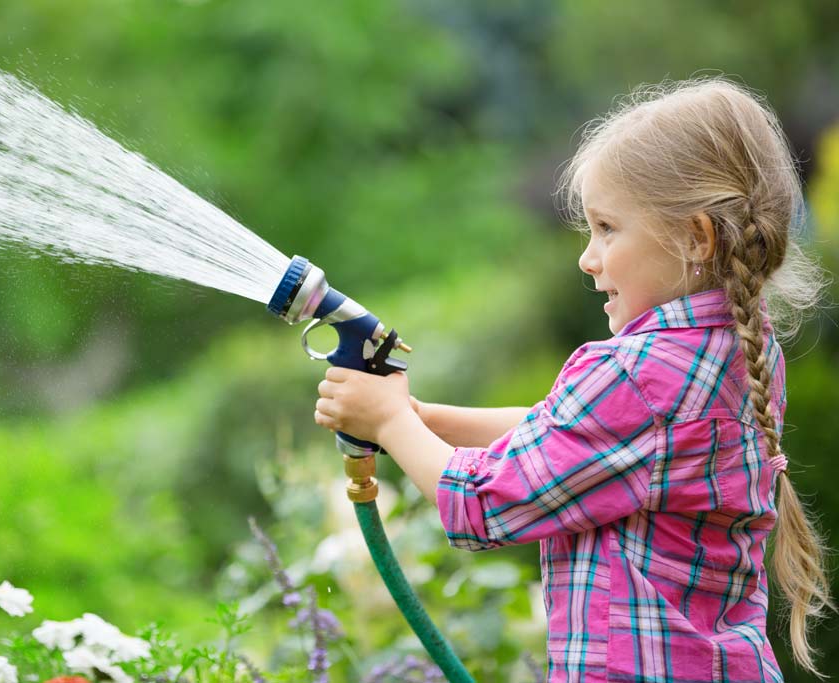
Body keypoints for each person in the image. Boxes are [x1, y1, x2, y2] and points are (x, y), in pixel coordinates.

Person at [313, 77, 833, 682]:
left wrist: (390, 421)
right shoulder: (738, 347)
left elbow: (484, 506)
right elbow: (567, 435)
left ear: (695, 237)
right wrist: (422, 418)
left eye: (608, 228)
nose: (588, 257)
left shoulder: (638, 376)